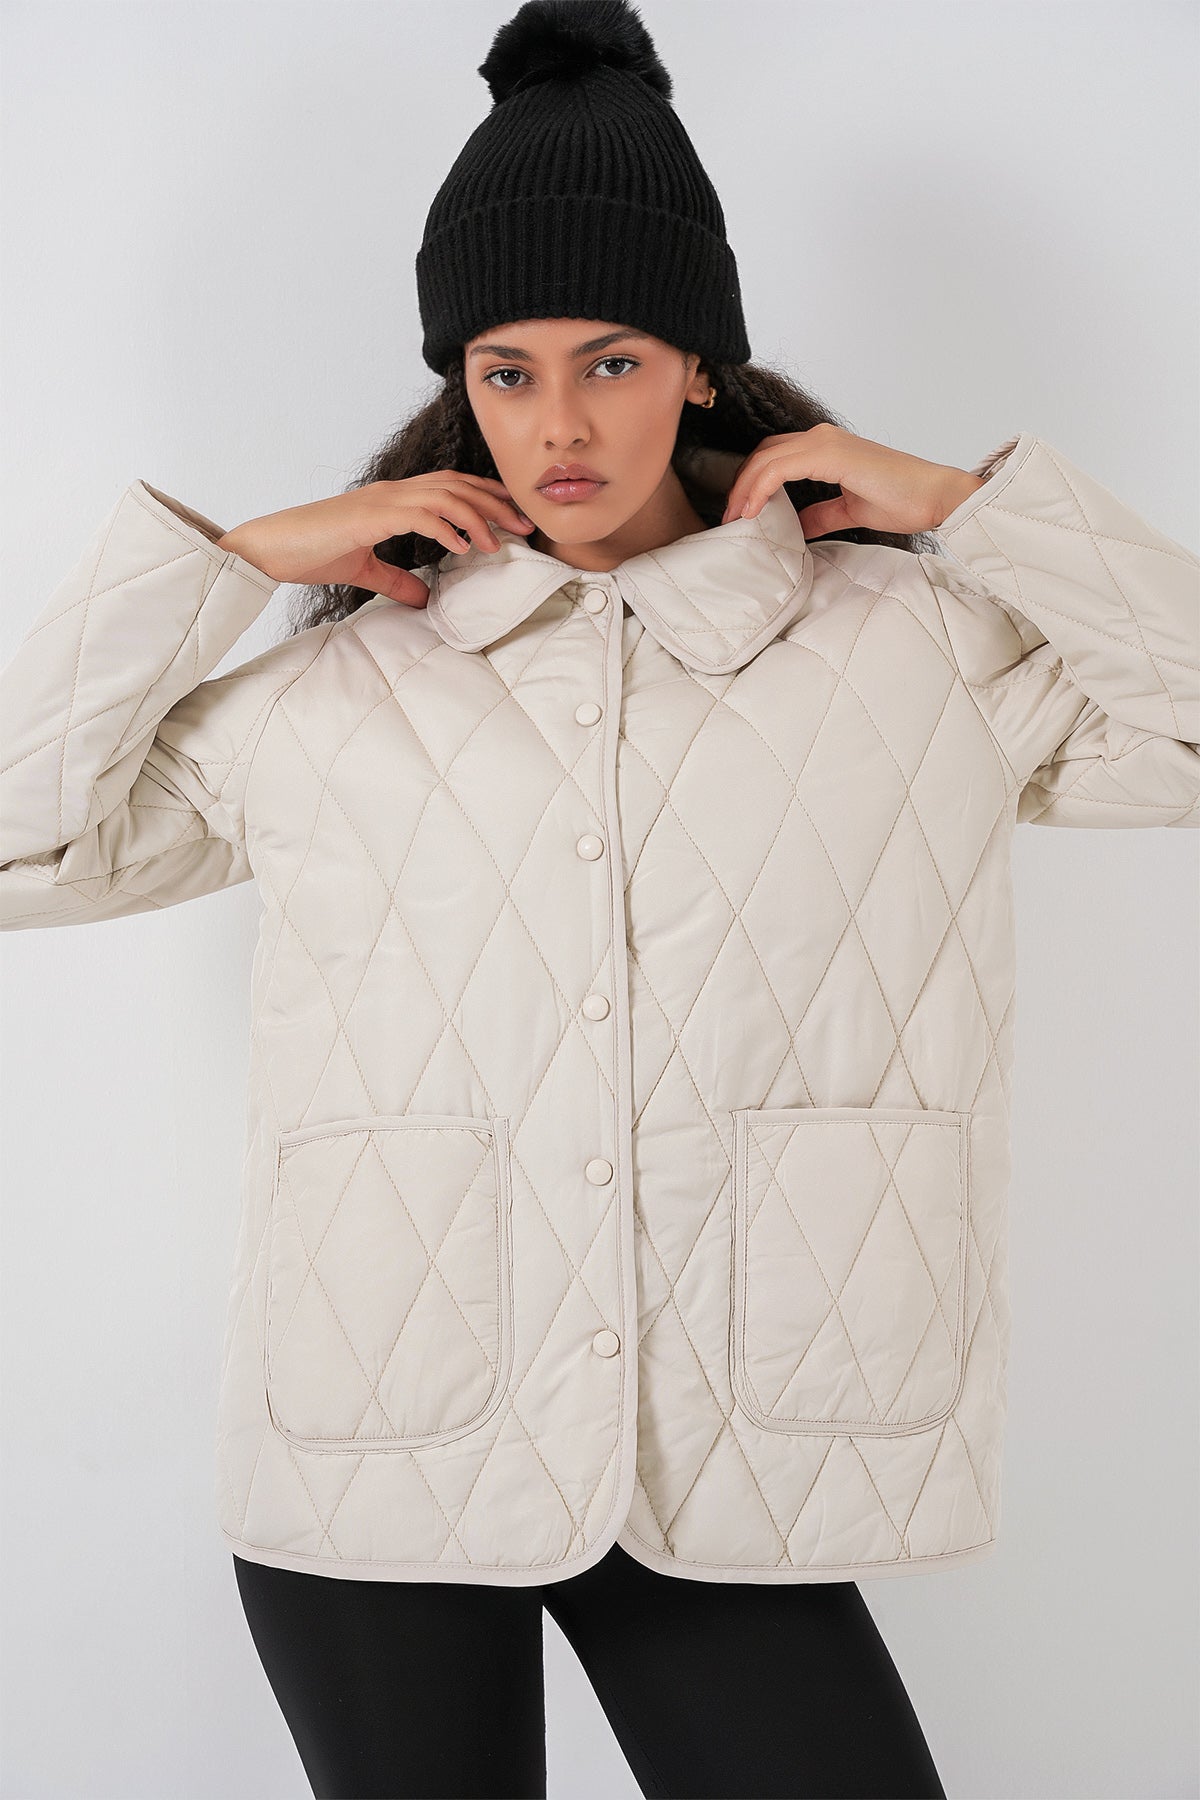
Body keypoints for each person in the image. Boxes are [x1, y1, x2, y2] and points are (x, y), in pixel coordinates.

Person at [1, 2, 1195, 1797]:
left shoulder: (916, 650)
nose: (558, 424)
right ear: (460, 386)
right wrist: (230, 565)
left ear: (701, 365)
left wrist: (970, 505)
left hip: (732, 1451)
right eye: (508, 371)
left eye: (613, 361)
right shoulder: (345, 685)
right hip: (380, 1442)